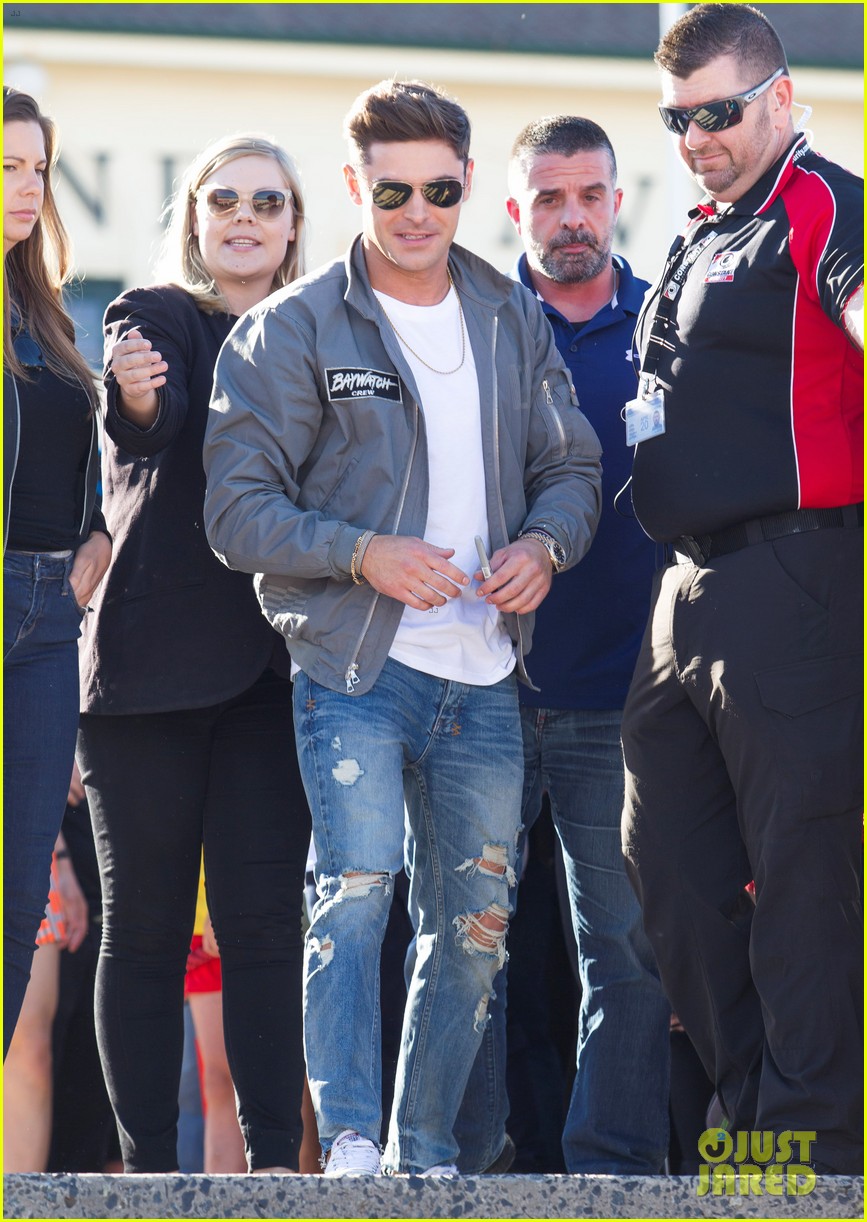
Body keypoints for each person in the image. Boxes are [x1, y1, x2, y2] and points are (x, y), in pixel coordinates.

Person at [203, 78, 602, 1177]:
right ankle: (348, 1143)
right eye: (391, 191)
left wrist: (544, 547)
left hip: (484, 677)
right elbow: (235, 510)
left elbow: (572, 466)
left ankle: (422, 1153)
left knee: (473, 930)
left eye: (437, 188)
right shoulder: (292, 328)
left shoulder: (510, 315)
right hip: (354, 667)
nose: (416, 211)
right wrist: (363, 551)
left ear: (469, 184)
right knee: (359, 886)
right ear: (354, 187)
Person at [620, 3, 863, 1175]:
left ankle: (811, 1148)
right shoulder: (704, 227)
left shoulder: (825, 202)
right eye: (678, 118)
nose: (697, 135)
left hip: (798, 572)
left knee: (803, 868)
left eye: (717, 112)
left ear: (776, 93)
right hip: (685, 590)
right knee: (664, 863)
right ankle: (755, 1118)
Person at [75, 132, 312, 1174]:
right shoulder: (156, 313)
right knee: (146, 930)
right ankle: (148, 1173)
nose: (246, 216)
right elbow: (151, 416)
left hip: (272, 676)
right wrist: (131, 392)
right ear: (196, 219)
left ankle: (271, 1172)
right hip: (145, 679)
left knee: (264, 928)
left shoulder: (325, 331)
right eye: (225, 199)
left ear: (297, 221)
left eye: (268, 200)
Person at [457, 114, 672, 1176]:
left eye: (589, 194)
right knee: (470, 948)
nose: (572, 216)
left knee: (626, 952)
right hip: (481, 687)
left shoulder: (670, 322)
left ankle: (614, 1170)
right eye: (549, 198)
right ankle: (473, 1168)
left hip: (627, 694)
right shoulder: (472, 324)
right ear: (514, 211)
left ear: (617, 200)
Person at [3, 85, 112, 1057]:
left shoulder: (46, 308)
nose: (29, 186)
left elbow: (69, 467)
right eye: (8, 167)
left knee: (18, 890)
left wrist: (98, 535)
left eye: (38, 166)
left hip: (47, 624)